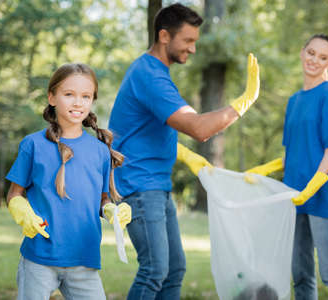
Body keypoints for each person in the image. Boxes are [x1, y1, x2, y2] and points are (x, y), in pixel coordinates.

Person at [107, 3, 260, 299]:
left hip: (156, 186)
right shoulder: (149, 76)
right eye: (188, 41)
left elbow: (192, 118)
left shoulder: (157, 74)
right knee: (154, 270)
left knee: (174, 270)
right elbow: (199, 129)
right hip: (140, 186)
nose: (192, 49)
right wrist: (243, 102)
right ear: (164, 36)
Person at [5, 63, 131, 300]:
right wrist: (21, 210)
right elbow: (14, 194)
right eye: (69, 94)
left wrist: (110, 211)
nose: (78, 102)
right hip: (39, 259)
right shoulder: (32, 145)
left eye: (86, 96)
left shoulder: (100, 151)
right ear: (52, 97)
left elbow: (101, 199)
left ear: (92, 100)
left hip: (84, 259)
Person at [246, 34, 328, 299]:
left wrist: (313, 185)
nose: (315, 60)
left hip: (324, 195)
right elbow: (293, 152)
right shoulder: (294, 101)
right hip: (294, 195)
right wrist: (264, 170)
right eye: (311, 53)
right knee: (300, 273)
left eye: (323, 57)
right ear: (302, 52)